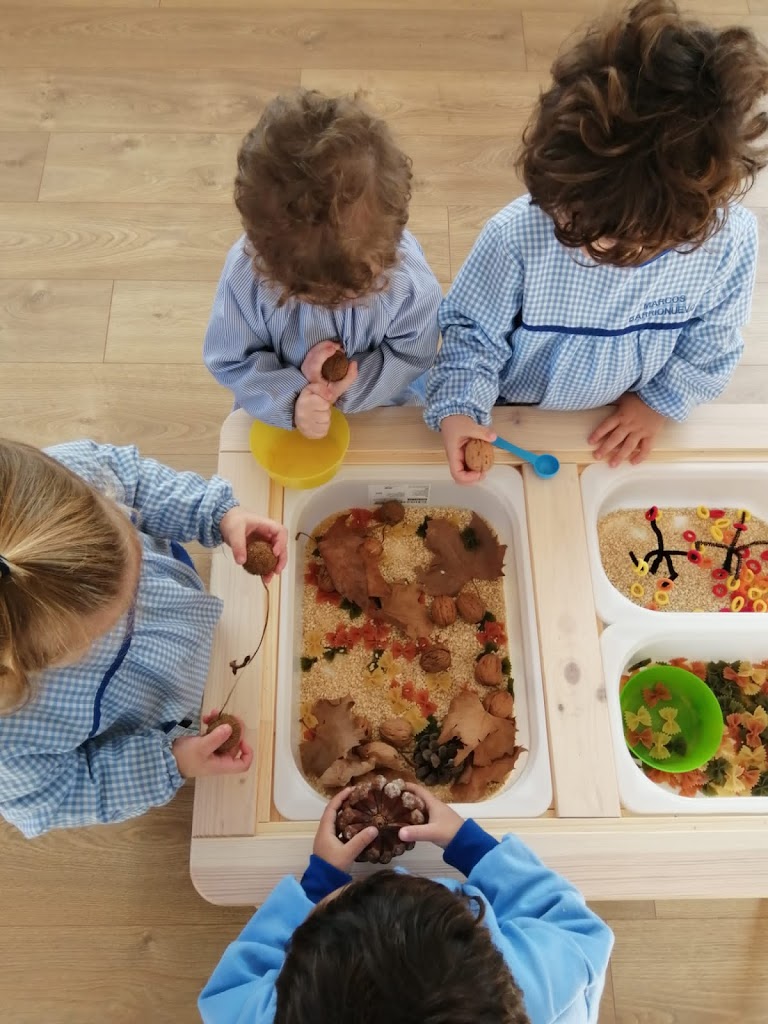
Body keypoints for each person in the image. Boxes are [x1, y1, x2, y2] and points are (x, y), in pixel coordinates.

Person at [426, 0, 768, 483]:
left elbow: (709, 350)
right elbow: (471, 338)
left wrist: (657, 405)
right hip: (509, 411)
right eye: (567, 212)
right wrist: (460, 408)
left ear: (682, 227)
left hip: (612, 421)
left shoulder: (726, 246)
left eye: (608, 239)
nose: (575, 237)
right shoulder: (516, 235)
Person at [0, 439, 288, 838]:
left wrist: (218, 514)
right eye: (116, 618)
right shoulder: (10, 747)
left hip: (180, 604)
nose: (134, 597)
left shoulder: (47, 488)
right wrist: (172, 762)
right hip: (160, 718)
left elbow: (129, 477)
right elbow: (62, 793)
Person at [199, 785, 613, 1024]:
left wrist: (317, 885)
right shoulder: (547, 982)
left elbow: (228, 992)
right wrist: (470, 846)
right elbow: (580, 928)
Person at [204, 89, 442, 440]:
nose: (334, 305)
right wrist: (295, 398)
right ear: (261, 252)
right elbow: (231, 360)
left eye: (353, 293)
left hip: (382, 407)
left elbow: (412, 355)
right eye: (306, 297)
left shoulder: (407, 281)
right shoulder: (246, 275)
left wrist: (336, 393)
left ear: (391, 244)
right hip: (279, 411)